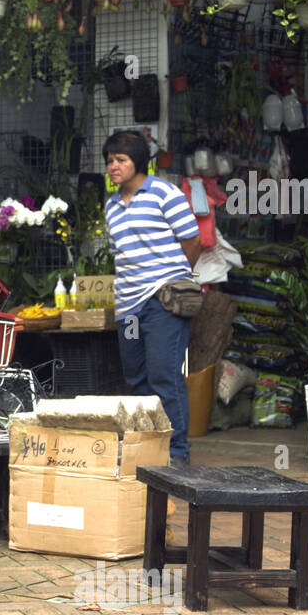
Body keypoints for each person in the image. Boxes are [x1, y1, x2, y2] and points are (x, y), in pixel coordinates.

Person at [102, 131, 203, 466]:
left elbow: (193, 241)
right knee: (137, 378)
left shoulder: (164, 194)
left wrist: (174, 279)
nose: (113, 167)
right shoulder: (112, 205)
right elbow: (121, 255)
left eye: (121, 160)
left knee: (164, 375)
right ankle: (150, 449)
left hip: (164, 302)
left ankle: (177, 453)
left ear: (137, 162)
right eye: (110, 161)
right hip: (128, 309)